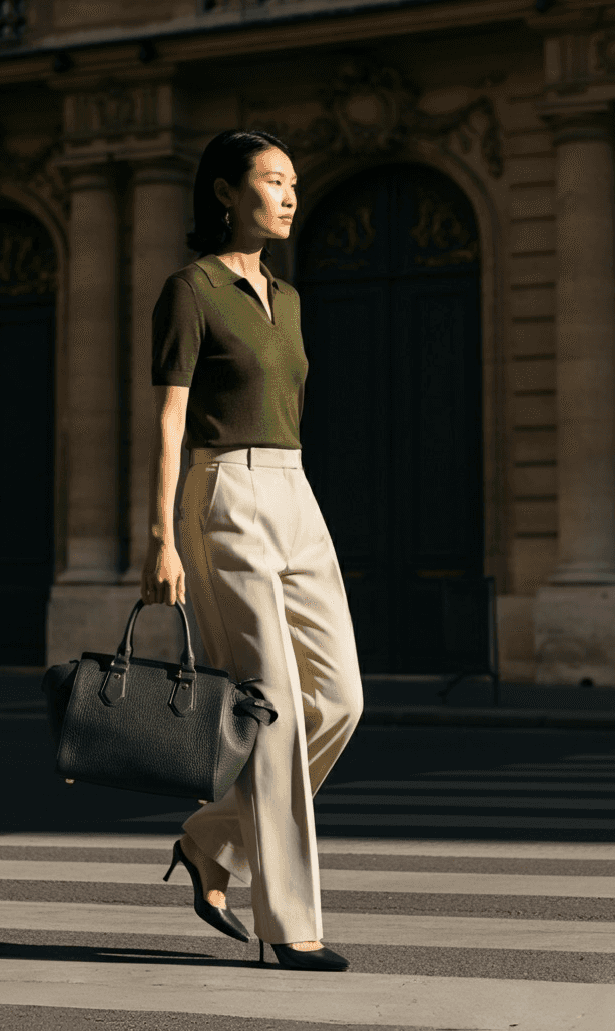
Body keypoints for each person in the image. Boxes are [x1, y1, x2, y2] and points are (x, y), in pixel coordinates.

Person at [143, 128, 364, 972]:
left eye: (294, 182)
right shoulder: (189, 290)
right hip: (223, 493)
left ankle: (207, 842)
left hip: (295, 492)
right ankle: (290, 924)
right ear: (225, 193)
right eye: (272, 181)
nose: (289, 195)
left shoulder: (290, 298)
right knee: (269, 711)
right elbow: (168, 420)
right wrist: (161, 535)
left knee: (339, 699)